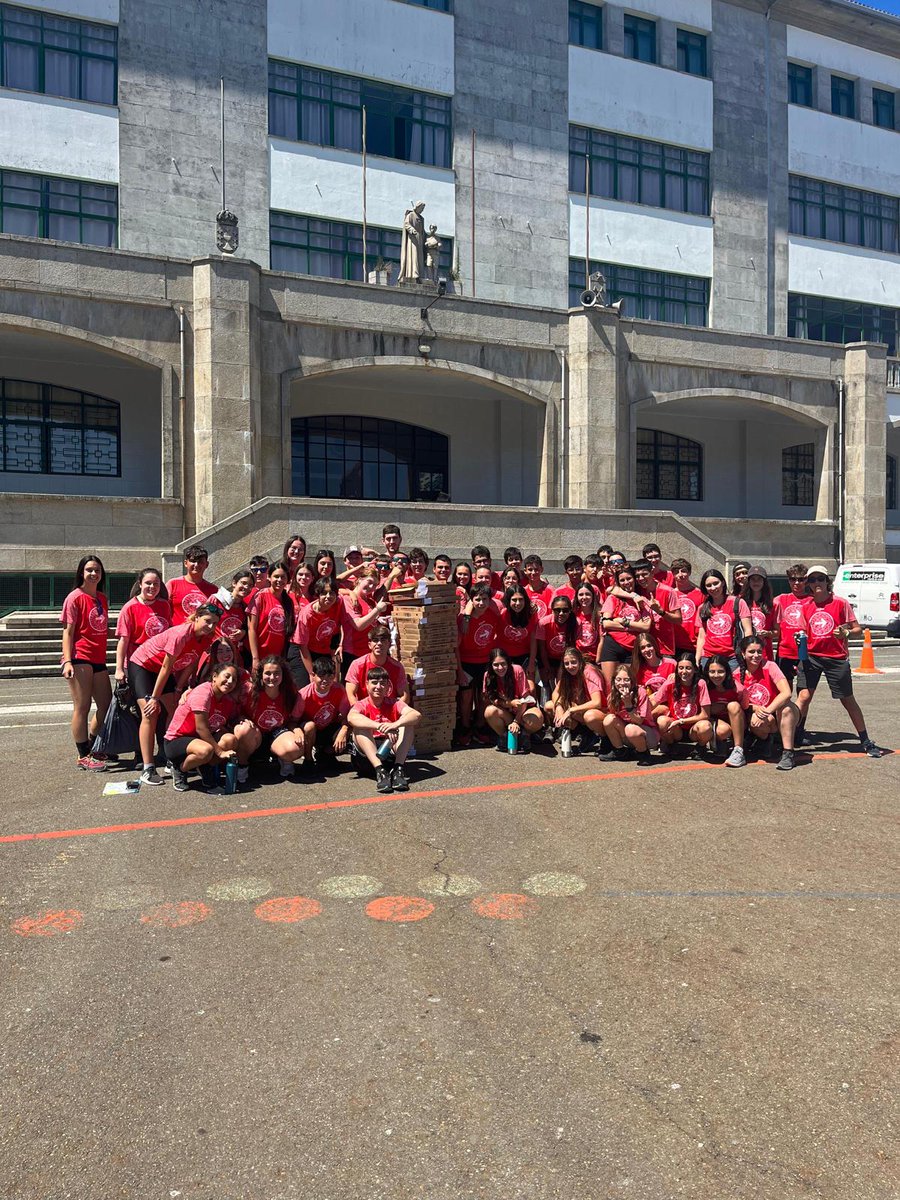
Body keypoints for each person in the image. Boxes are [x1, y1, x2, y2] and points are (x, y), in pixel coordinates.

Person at [795, 566, 885, 757]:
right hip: (811, 656)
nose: (816, 583)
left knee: (847, 699)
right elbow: (803, 631)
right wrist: (799, 638)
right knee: (803, 697)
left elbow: (857, 629)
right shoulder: (806, 606)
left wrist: (846, 633)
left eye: (820, 579)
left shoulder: (840, 603)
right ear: (808, 584)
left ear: (827, 581)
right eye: (812, 580)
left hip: (836, 658)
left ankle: (865, 740)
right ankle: (794, 736)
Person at [129, 604, 220, 785]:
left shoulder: (206, 637)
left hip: (165, 672)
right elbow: (165, 666)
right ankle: (148, 767)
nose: (210, 626)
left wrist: (179, 688)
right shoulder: (181, 634)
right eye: (207, 621)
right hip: (144, 667)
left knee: (175, 709)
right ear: (196, 617)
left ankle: (172, 757)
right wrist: (154, 698)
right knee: (150, 712)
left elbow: (192, 662)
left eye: (214, 623)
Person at [60, 554, 112, 771]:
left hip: (98, 658)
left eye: (97, 570)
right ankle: (83, 755)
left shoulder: (102, 598)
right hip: (80, 657)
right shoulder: (75, 597)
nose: (93, 574)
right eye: (89, 570)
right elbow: (68, 632)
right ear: (81, 572)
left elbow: (101, 628)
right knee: (82, 707)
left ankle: (92, 743)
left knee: (106, 706)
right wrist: (68, 661)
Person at [162, 662, 240, 793]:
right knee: (206, 750)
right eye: (226, 676)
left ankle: (205, 768)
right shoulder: (203, 693)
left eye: (234, 679)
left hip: (200, 740)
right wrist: (220, 752)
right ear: (214, 676)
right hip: (177, 740)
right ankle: (179, 768)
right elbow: (201, 729)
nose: (230, 681)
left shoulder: (227, 700)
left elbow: (222, 725)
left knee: (230, 740)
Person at [347, 666, 421, 793]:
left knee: (408, 724)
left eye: (382, 683)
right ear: (367, 685)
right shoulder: (362, 704)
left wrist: (395, 725)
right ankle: (380, 772)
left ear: (388, 687)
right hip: (367, 759)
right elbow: (351, 718)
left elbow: (416, 715)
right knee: (360, 728)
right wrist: (378, 726)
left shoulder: (394, 703)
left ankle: (398, 770)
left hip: (389, 753)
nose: (378, 687)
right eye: (374, 683)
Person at [739, 635, 798, 770]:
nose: (756, 655)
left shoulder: (770, 666)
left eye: (759, 651)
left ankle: (788, 753)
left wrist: (766, 711)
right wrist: (755, 708)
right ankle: (765, 740)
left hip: (777, 712)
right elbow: (738, 701)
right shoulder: (738, 673)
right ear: (743, 653)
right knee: (753, 719)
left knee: (787, 709)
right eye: (751, 652)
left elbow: (786, 693)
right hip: (758, 715)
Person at [455, 582, 502, 745]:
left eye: (484, 599)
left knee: (483, 696)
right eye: (477, 599)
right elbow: (456, 647)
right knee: (466, 697)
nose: (481, 603)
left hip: (485, 662)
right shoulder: (462, 619)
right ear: (471, 601)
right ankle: (465, 727)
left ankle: (480, 726)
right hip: (466, 663)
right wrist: (459, 670)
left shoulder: (492, 614)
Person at [241, 655, 303, 778]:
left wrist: (297, 730)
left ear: (283, 675)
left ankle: (283, 758)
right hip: (255, 734)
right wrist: (241, 719)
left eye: (276, 673)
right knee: (242, 729)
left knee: (295, 748)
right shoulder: (249, 690)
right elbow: (236, 711)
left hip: (277, 732)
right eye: (267, 673)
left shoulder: (291, 692)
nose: (272, 677)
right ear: (261, 674)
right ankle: (242, 765)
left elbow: (293, 720)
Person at [611, 557, 682, 659]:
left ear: (652, 572)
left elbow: (678, 620)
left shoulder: (668, 591)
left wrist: (660, 611)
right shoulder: (638, 590)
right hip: (643, 648)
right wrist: (634, 596)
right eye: (637, 576)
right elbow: (612, 589)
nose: (641, 579)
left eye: (644, 574)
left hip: (664, 648)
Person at [115, 568, 171, 684]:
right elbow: (123, 640)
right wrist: (119, 669)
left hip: (160, 662)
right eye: (148, 583)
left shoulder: (164, 605)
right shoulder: (130, 607)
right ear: (140, 584)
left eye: (156, 584)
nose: (152, 587)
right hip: (138, 662)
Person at [599, 565, 651, 690]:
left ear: (634, 579)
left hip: (632, 647)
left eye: (629, 578)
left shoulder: (641, 600)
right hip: (612, 645)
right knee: (610, 686)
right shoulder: (613, 598)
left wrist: (623, 621)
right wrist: (635, 626)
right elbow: (606, 623)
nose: (626, 582)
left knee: (628, 686)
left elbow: (646, 627)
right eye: (622, 580)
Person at [482, 647, 543, 752]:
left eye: (503, 663)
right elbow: (491, 699)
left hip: (524, 710)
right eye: (496, 665)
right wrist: (509, 703)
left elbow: (525, 699)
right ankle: (504, 736)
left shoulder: (517, 670)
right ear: (491, 665)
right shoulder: (488, 676)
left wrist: (516, 721)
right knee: (489, 711)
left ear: (508, 662)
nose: (500, 668)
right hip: (508, 712)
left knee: (536, 719)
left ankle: (525, 735)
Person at [546, 645, 606, 753]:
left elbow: (597, 702)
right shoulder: (567, 674)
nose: (570, 666)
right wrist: (559, 707)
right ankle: (586, 734)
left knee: (590, 716)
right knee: (550, 706)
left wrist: (570, 710)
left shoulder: (589, 672)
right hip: (581, 711)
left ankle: (606, 739)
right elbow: (556, 692)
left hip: (601, 712)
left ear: (580, 661)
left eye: (573, 662)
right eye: (566, 663)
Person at [291, 578, 350, 686]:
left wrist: (340, 645)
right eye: (324, 593)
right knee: (308, 684)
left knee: (332, 683)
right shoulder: (307, 614)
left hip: (326, 648)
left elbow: (340, 628)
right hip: (305, 650)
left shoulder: (338, 603)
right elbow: (302, 646)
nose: (328, 596)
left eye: (331, 593)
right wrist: (311, 673)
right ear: (317, 595)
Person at [652, 654, 713, 758]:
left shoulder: (700, 684)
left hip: (693, 728)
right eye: (681, 668)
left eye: (688, 668)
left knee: (705, 726)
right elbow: (653, 703)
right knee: (662, 721)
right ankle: (671, 745)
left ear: (694, 669)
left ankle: (701, 747)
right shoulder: (671, 682)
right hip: (675, 729)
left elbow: (705, 715)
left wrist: (681, 721)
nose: (684, 672)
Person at [296, 656, 351, 771]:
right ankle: (308, 759)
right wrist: (297, 731)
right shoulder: (303, 695)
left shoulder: (339, 690)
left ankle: (325, 753)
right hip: (309, 730)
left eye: (330, 676)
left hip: (328, 726)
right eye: (321, 676)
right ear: (313, 675)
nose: (325, 680)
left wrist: (344, 731)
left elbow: (347, 716)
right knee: (310, 726)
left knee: (351, 724)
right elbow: (293, 720)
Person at [600, 664, 659, 763]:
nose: (622, 683)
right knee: (609, 719)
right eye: (618, 679)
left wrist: (628, 704)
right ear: (614, 681)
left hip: (647, 734)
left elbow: (639, 721)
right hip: (628, 733)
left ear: (632, 681)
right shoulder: (613, 696)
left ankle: (643, 753)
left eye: (626, 680)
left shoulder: (641, 692)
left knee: (630, 728)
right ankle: (620, 751)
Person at [695, 570, 752, 672]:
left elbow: (748, 631)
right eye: (709, 585)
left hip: (732, 657)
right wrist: (698, 656)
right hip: (708, 657)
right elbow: (701, 636)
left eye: (716, 583)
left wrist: (746, 652)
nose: (713, 588)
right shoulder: (702, 608)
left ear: (723, 583)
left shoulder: (738, 602)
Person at [702, 655, 748, 767]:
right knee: (722, 731)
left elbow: (745, 708)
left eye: (720, 672)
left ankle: (738, 750)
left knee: (733, 706)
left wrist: (724, 707)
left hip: (737, 721)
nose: (716, 675)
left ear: (727, 672)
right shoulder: (704, 687)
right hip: (717, 722)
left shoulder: (738, 689)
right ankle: (721, 742)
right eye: (712, 672)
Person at [772, 564, 812, 690]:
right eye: (793, 579)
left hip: (805, 652)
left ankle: (800, 711)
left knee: (804, 693)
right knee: (785, 691)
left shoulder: (812, 600)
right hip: (785, 652)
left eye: (801, 579)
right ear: (788, 580)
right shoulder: (780, 599)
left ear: (806, 580)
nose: (797, 582)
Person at [342, 566, 392, 665]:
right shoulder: (349, 599)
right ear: (360, 579)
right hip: (353, 653)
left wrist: (380, 620)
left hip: (369, 653)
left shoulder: (370, 601)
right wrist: (377, 610)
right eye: (369, 582)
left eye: (375, 585)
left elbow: (371, 621)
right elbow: (358, 625)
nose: (371, 587)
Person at [247, 563, 294, 670]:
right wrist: (255, 658)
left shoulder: (288, 602)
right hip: (259, 655)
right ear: (269, 577)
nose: (279, 580)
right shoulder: (260, 596)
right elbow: (251, 628)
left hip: (278, 658)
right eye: (276, 576)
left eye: (283, 577)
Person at [346, 626, 409, 704]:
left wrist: (394, 710)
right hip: (364, 712)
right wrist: (359, 711)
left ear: (389, 644)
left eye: (383, 640)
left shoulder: (397, 667)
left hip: (389, 711)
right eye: (375, 640)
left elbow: (405, 696)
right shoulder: (357, 665)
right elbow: (350, 694)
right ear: (369, 645)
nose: (379, 643)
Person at [537, 595, 579, 694]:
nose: (561, 613)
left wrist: (562, 666)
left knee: (562, 683)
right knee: (546, 682)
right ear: (552, 610)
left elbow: (573, 647)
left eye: (565, 610)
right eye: (557, 610)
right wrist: (547, 667)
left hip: (566, 658)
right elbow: (542, 649)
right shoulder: (544, 623)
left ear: (570, 610)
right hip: (548, 657)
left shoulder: (575, 623)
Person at [167, 544, 217, 625]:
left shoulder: (213, 590)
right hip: (177, 634)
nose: (196, 565)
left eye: (200, 562)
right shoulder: (173, 584)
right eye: (193, 561)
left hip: (202, 636)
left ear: (206, 564)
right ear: (186, 563)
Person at [498, 584, 539, 672]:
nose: (518, 603)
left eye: (521, 599)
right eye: (514, 600)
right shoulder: (501, 613)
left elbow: (533, 640)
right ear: (508, 600)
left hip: (525, 656)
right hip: (505, 656)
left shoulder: (531, 614)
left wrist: (531, 663)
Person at [632, 630, 675, 714]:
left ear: (654, 646)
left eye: (649, 646)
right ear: (639, 651)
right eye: (643, 648)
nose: (647, 650)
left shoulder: (671, 664)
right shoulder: (638, 669)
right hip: (649, 705)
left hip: (669, 705)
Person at [741, 566, 777, 660]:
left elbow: (777, 632)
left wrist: (767, 633)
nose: (756, 582)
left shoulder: (772, 604)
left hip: (765, 652)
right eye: (753, 579)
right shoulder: (741, 602)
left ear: (764, 582)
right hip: (747, 652)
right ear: (748, 582)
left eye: (759, 579)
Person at [670, 557, 703, 653]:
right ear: (672, 574)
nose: (680, 575)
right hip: (675, 645)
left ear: (689, 573)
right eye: (676, 572)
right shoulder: (669, 594)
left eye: (683, 571)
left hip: (695, 644)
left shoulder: (700, 594)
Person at [573, 583, 602, 659]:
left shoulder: (599, 615)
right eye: (581, 595)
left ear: (593, 596)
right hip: (578, 658)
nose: (584, 597)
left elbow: (602, 639)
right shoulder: (573, 614)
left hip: (595, 657)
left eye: (587, 594)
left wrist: (598, 659)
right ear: (576, 597)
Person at [523, 554, 554, 619]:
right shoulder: (523, 591)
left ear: (542, 569)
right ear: (525, 571)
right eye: (530, 569)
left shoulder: (551, 590)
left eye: (536, 569)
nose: (533, 572)